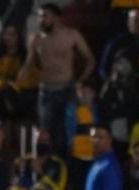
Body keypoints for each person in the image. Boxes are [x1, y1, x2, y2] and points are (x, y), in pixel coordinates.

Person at [17, 3, 95, 152]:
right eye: (40, 17)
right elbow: (29, 64)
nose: (41, 20)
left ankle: (70, 160)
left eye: (45, 16)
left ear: (56, 17)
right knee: (45, 130)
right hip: (46, 89)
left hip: (67, 88)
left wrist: (81, 80)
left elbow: (90, 60)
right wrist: (19, 80)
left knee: (69, 127)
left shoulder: (72, 35)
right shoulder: (36, 39)